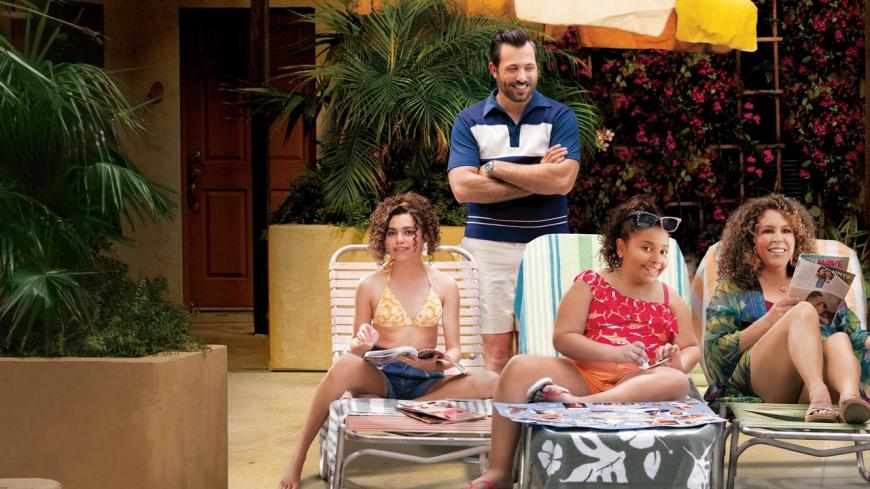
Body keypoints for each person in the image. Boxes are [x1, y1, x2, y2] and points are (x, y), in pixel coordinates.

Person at [466, 195, 699, 489]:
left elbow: (691, 347)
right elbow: (563, 338)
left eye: (663, 251)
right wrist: (615, 353)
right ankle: (500, 471)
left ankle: (581, 406)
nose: (657, 259)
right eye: (646, 248)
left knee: (676, 381)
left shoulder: (669, 298)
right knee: (517, 367)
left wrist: (677, 362)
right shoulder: (590, 284)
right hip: (585, 376)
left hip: (640, 382)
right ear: (621, 247)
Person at [278, 192, 498, 489]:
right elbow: (355, 347)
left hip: (427, 383)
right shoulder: (370, 285)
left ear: (424, 235)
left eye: (408, 232)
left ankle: (415, 408)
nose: (399, 240)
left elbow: (455, 347)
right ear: (382, 238)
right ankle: (298, 457)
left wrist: (440, 363)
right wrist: (362, 344)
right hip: (381, 379)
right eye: (392, 233)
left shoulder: (446, 285)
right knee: (344, 365)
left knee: (492, 380)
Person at [447, 27, 582, 373]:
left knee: (540, 351)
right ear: (494, 70)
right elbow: (463, 188)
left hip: (547, 248)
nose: (522, 77)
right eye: (512, 68)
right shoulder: (469, 121)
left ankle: (533, 411)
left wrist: (494, 168)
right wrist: (539, 175)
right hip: (487, 249)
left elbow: (563, 180)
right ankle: (500, 411)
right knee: (495, 355)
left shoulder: (560, 117)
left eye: (529, 67)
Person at [704, 193, 870, 423]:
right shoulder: (733, 289)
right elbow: (715, 354)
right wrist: (770, 320)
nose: (778, 238)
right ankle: (818, 392)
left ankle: (850, 399)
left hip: (807, 394)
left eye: (787, 231)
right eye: (767, 231)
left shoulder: (819, 282)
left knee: (839, 339)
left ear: (796, 238)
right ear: (750, 240)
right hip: (763, 387)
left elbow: (857, 337)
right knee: (803, 311)